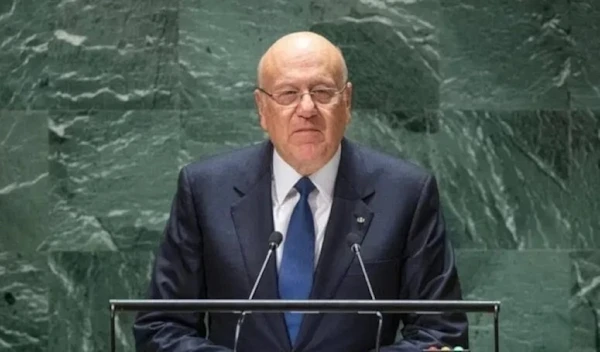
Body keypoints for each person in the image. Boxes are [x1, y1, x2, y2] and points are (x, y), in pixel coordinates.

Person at [133, 31, 469, 352]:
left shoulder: (406, 193)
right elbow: (163, 327)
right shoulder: (205, 190)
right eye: (288, 94)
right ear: (262, 109)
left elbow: (440, 332)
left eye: (322, 92)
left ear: (347, 102)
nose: (306, 108)